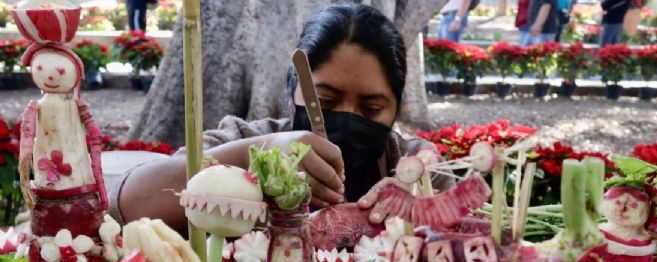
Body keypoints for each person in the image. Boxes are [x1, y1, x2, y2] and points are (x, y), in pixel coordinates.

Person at [110, 4, 452, 233]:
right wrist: (262, 153)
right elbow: (125, 205)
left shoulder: (411, 165)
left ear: (397, 106)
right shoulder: (241, 138)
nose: (348, 118)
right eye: (326, 100)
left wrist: (420, 199)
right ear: (292, 90)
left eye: (372, 108)